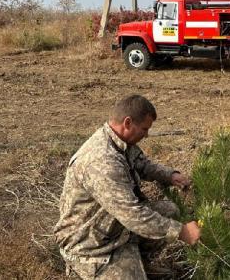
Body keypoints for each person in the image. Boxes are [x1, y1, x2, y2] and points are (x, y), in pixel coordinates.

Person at [54, 95, 201, 279]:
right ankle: (88, 269)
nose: (146, 135)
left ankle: (138, 261)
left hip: (114, 227)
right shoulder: (102, 161)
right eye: (144, 129)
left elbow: (143, 164)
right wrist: (181, 232)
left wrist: (170, 175)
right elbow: (132, 215)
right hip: (91, 244)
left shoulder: (120, 143)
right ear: (128, 122)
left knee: (168, 210)